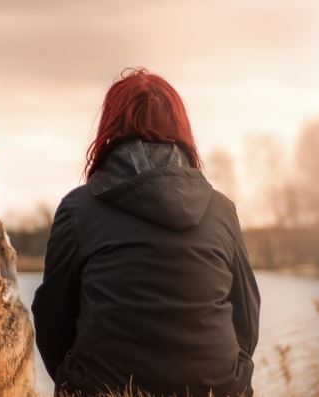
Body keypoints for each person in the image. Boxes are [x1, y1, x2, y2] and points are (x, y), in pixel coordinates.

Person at [31, 68, 260, 397]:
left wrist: (72, 381)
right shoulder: (221, 210)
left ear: (110, 128)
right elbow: (247, 320)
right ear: (180, 128)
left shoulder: (78, 210)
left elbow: (52, 319)